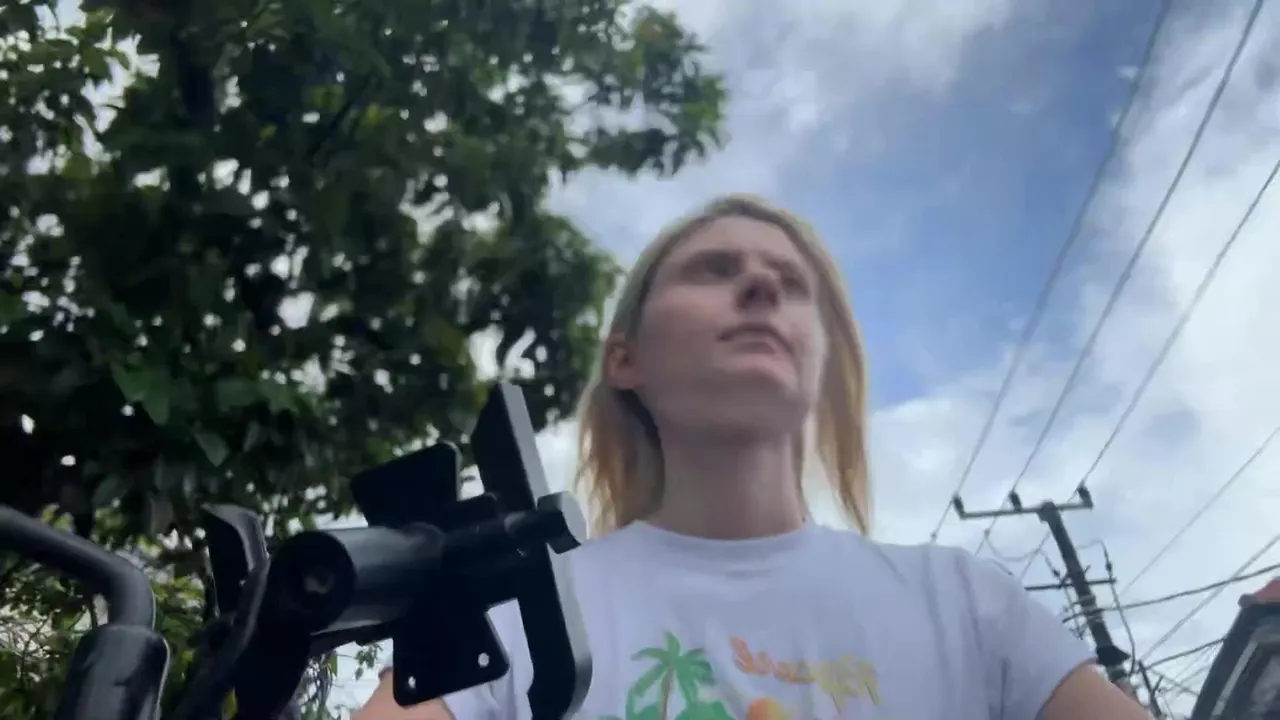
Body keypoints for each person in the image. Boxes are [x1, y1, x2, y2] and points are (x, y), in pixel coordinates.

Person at [354, 195, 1150, 720]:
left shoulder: (968, 606)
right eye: (715, 269)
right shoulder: (518, 618)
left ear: (822, 363)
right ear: (626, 358)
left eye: (793, 285)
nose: (763, 287)